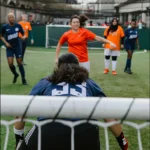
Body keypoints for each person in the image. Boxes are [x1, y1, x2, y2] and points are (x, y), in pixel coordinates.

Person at [14, 53, 128, 150]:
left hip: (49, 130)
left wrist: (19, 138)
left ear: (58, 67)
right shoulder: (89, 83)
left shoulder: (46, 82)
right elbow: (107, 112)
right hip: (86, 133)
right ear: (78, 67)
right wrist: (121, 140)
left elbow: (22, 109)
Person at [0, 13, 28, 85]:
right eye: (11, 17)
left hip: (17, 46)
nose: (12, 19)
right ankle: (15, 74)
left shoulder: (18, 26)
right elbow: (1, 36)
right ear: (8, 19)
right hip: (9, 47)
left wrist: (23, 37)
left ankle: (23, 79)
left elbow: (23, 34)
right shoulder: (4, 27)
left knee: (19, 62)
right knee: (10, 64)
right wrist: (6, 43)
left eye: (13, 17)